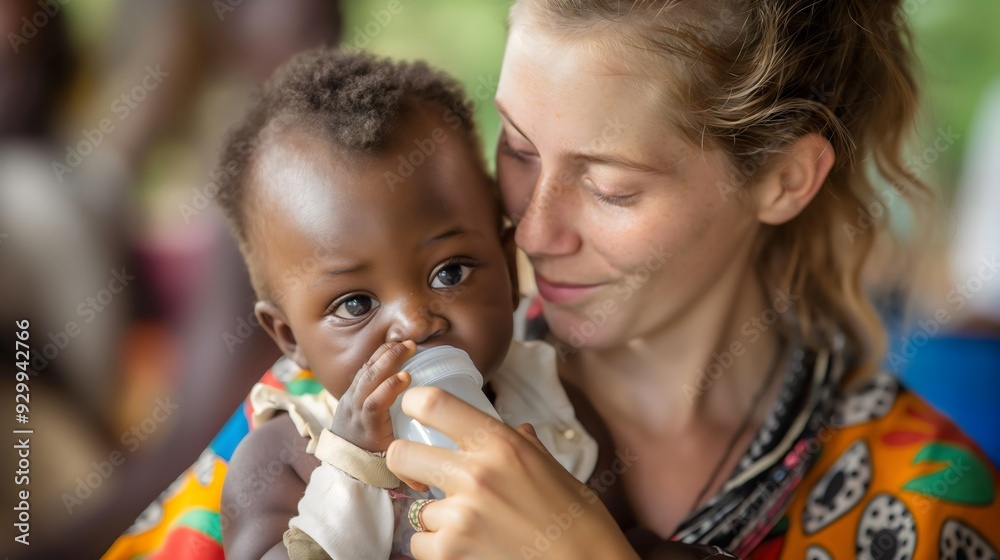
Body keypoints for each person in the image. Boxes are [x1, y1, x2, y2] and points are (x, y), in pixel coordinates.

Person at [376, 1, 1000, 559]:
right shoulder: (351, 392)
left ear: (784, 178)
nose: (534, 231)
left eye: (610, 186)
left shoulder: (927, 505)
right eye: (517, 146)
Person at [213, 49, 605, 559]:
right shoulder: (283, 456)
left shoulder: (556, 404)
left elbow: (613, 534)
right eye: (355, 304)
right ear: (290, 338)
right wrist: (354, 471)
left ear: (509, 271)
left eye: (451, 272)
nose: (415, 322)